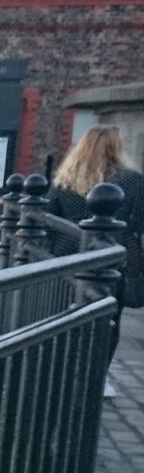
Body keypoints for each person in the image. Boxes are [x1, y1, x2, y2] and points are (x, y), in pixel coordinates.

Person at [49, 125, 144, 397]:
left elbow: (49, 218)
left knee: (65, 314)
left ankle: (62, 371)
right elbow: (140, 225)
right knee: (109, 318)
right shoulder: (133, 181)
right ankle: (98, 377)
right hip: (116, 257)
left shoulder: (66, 179)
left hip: (69, 255)